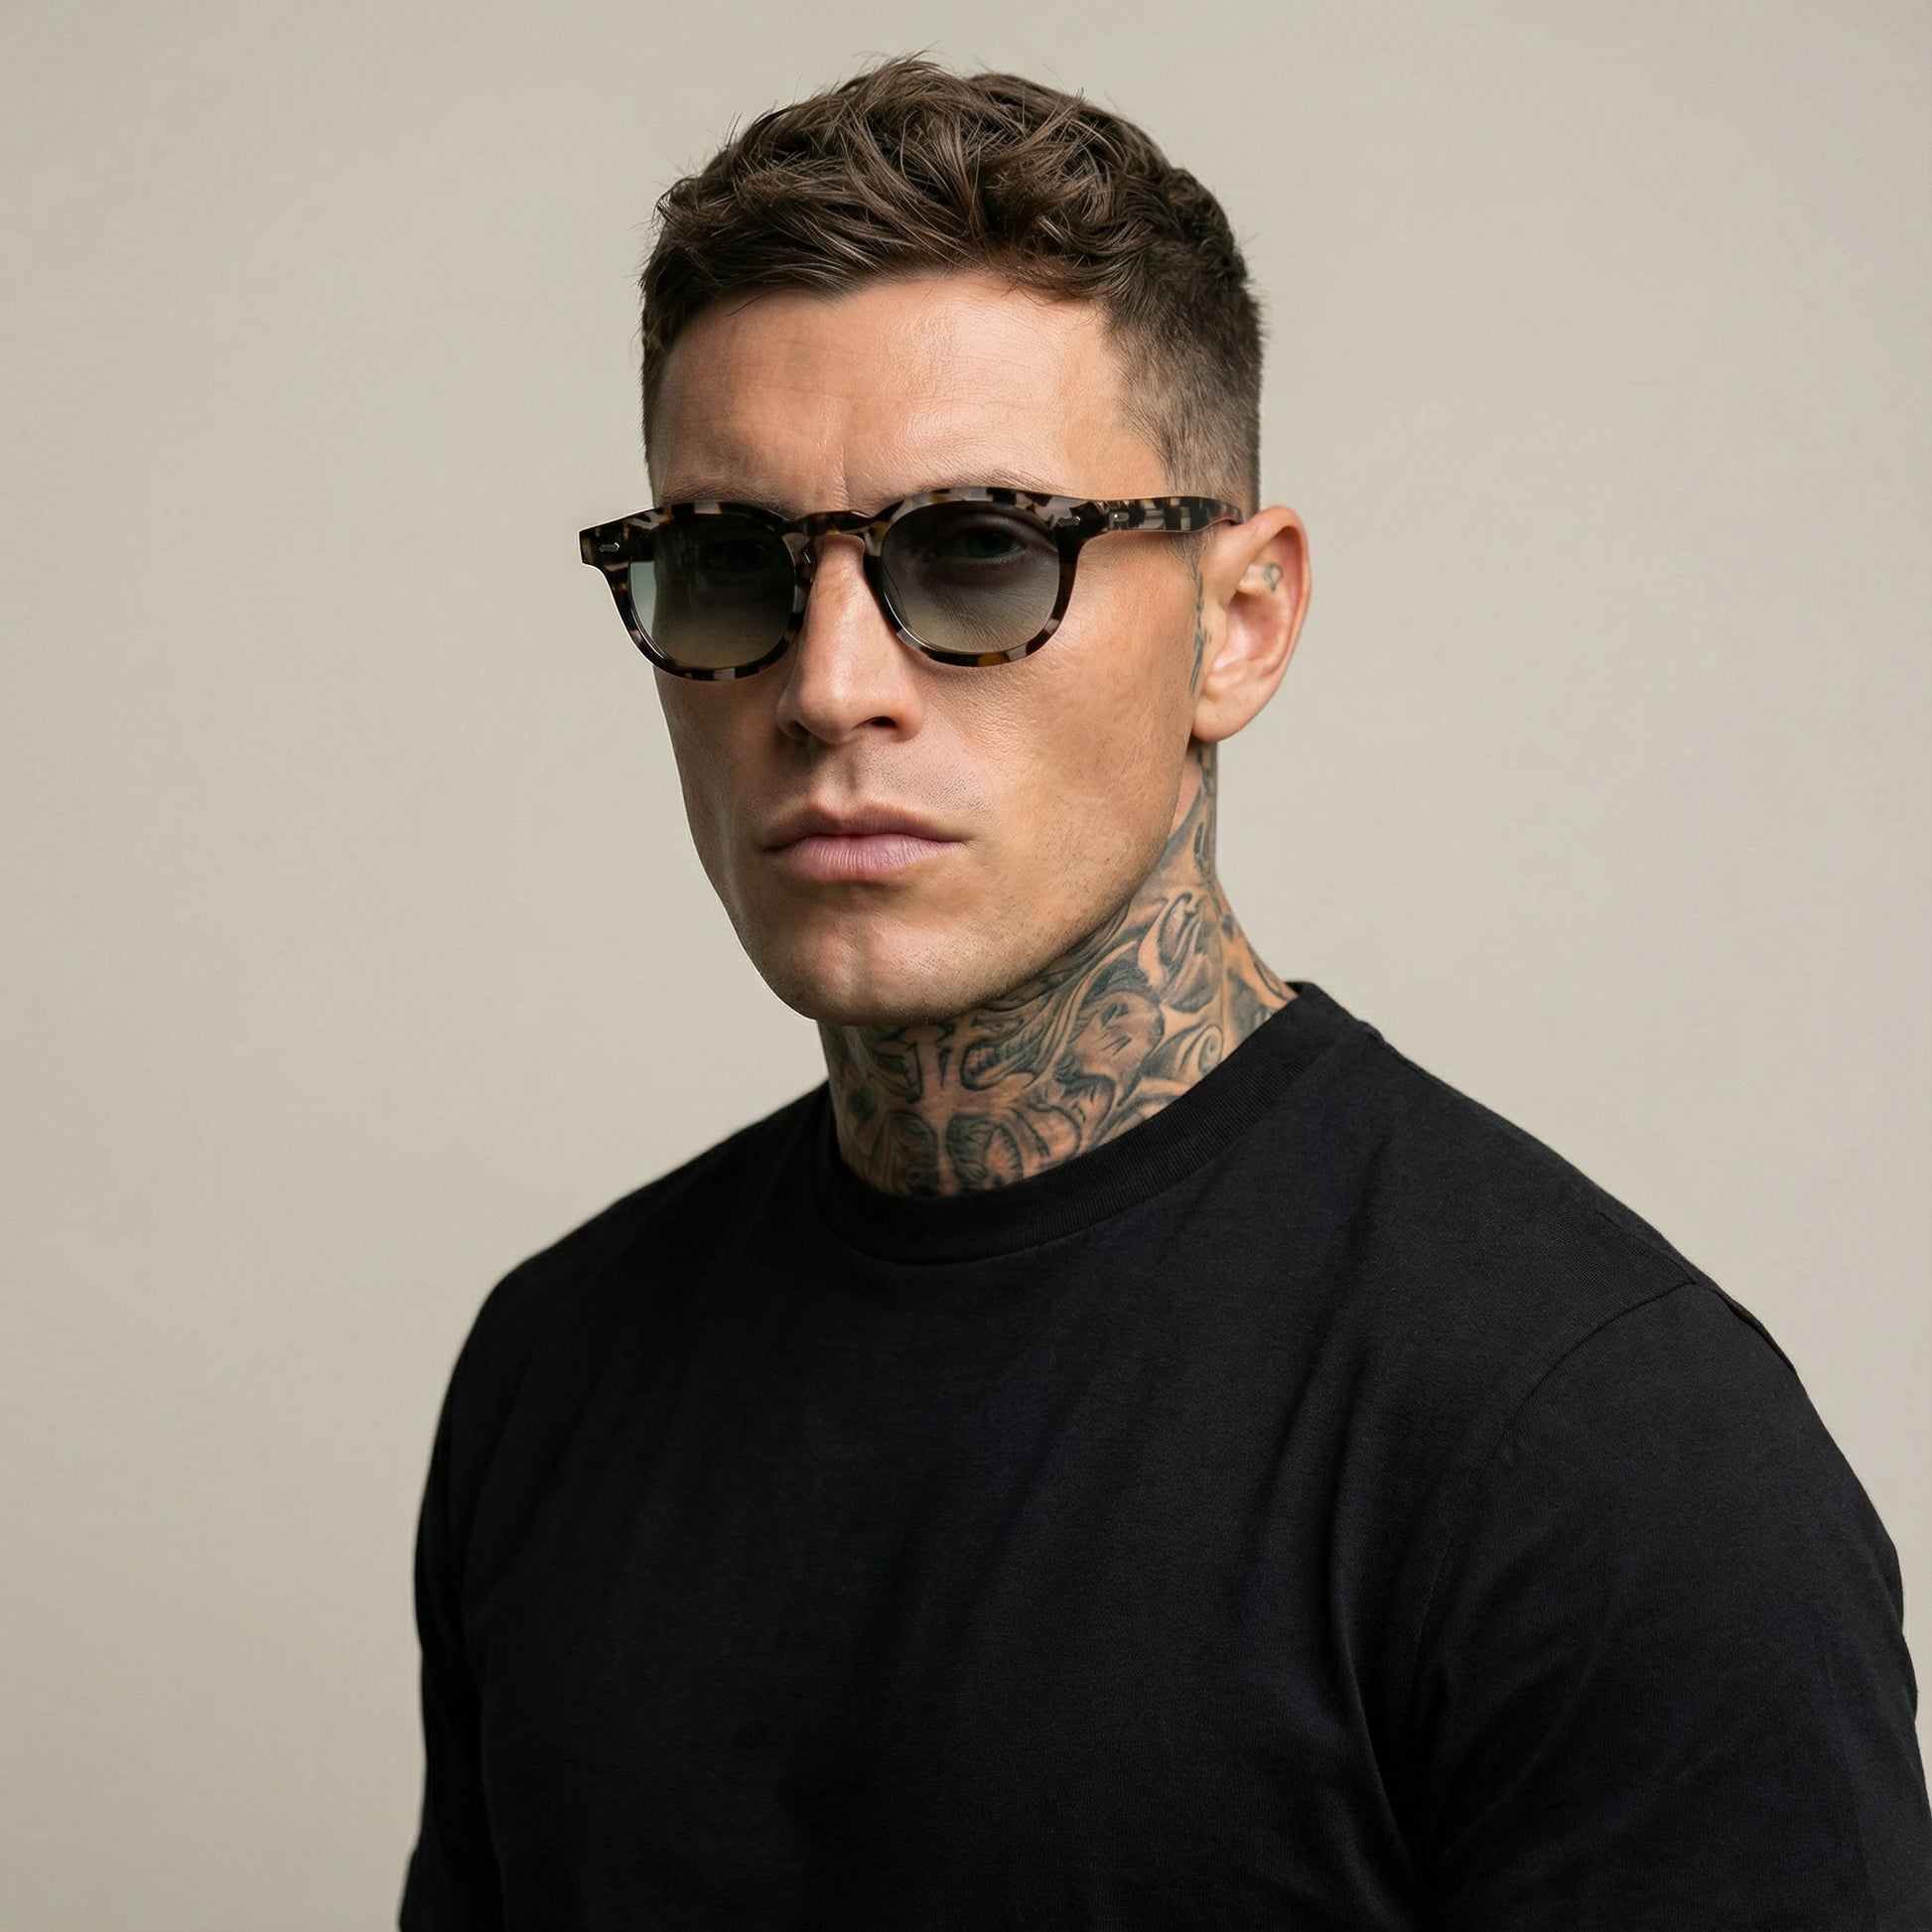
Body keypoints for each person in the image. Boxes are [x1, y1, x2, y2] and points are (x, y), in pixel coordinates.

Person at [400, 57, 1932, 1931]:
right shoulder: (557, 1370)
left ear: (1240, 620)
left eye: (979, 552)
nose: (828, 686)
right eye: (727, 567)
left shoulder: (1599, 1451)